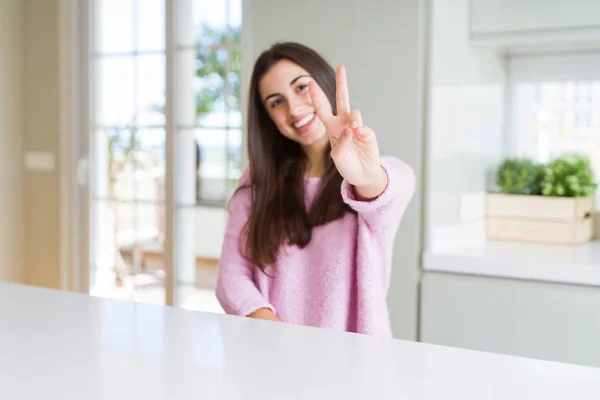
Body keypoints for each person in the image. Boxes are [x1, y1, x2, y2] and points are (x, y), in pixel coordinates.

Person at [215, 42, 415, 338]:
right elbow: (231, 277)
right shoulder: (257, 184)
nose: (294, 109)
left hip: (355, 370)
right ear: (268, 118)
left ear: (324, 82)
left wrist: (365, 173)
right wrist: (281, 339)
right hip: (275, 362)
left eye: (301, 87)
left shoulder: (382, 174)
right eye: (275, 102)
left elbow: (386, 190)